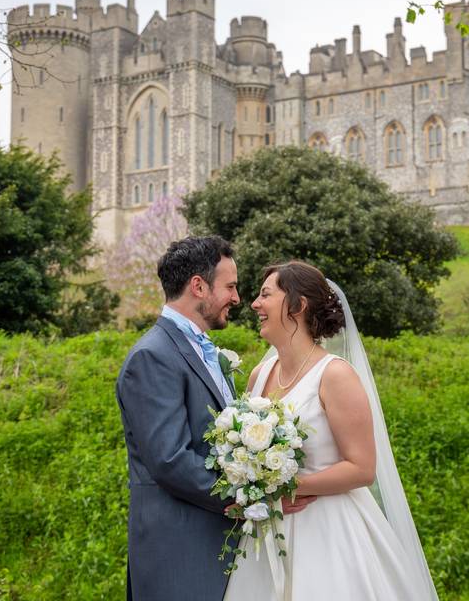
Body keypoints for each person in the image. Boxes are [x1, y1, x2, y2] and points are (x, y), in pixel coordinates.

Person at [224, 260, 439, 601]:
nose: (254, 304)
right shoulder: (259, 376)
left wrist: (288, 489)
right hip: (268, 535)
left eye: (266, 294)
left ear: (298, 304)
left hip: (330, 532)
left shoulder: (335, 375)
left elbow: (362, 467)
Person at [115, 235, 243, 600]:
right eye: (230, 286)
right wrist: (243, 497)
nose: (236, 298)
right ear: (199, 286)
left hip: (214, 543)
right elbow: (169, 458)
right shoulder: (153, 356)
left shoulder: (203, 350)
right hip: (179, 550)